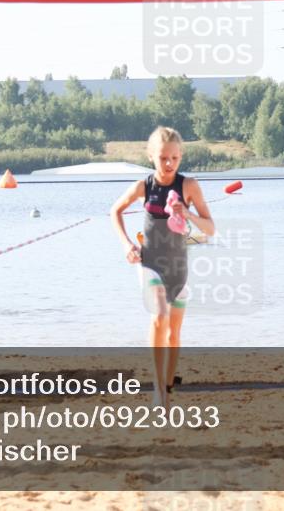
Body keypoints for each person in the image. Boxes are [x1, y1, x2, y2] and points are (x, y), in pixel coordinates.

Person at [110, 126, 215, 407]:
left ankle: (167, 387)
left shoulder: (189, 186)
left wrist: (188, 212)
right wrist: (126, 244)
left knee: (173, 333)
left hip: (178, 268)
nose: (169, 164)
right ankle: (158, 389)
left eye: (174, 159)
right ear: (151, 157)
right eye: (163, 158)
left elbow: (211, 228)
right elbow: (115, 211)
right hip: (150, 264)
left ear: (181, 157)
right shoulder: (144, 186)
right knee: (159, 317)